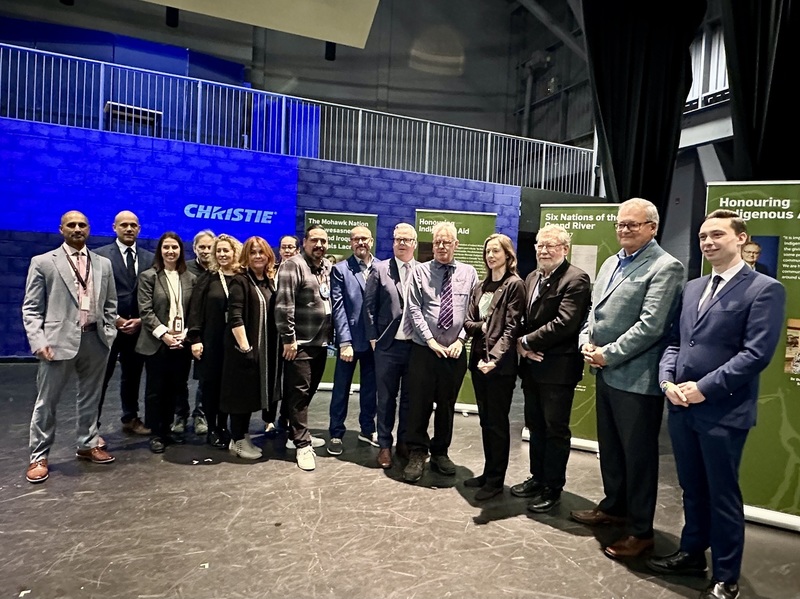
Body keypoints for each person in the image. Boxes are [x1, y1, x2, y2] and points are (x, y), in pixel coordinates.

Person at [647, 210, 785, 599]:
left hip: (723, 411)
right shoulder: (692, 288)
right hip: (681, 407)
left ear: (741, 238)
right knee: (691, 489)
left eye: (717, 235)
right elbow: (676, 342)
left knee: (722, 494)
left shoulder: (764, 289)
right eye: (703, 236)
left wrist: (703, 388)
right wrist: (667, 380)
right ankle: (691, 553)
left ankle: (726, 574)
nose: (707, 242)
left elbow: (756, 354)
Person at [574, 198, 685, 559]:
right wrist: (586, 342)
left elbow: (652, 326)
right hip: (604, 372)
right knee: (611, 450)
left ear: (653, 228)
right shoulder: (610, 263)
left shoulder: (666, 267)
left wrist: (609, 353)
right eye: (620, 224)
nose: (624, 230)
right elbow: (594, 311)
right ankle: (614, 507)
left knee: (638, 458)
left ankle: (640, 532)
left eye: (632, 225)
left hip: (636, 379)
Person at [23, 210, 118, 484]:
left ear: (89, 229)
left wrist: (108, 333)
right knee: (47, 402)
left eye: (82, 225)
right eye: (71, 225)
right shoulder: (43, 262)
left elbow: (110, 303)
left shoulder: (103, 264)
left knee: (90, 397)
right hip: (57, 342)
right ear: (61, 229)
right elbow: (31, 308)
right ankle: (38, 456)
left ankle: (87, 443)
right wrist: (38, 340)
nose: (77, 229)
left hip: (95, 340)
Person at [510, 225, 591, 512]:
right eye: (540, 246)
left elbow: (566, 322)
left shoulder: (576, 279)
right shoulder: (531, 276)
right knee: (535, 426)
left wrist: (526, 341)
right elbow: (524, 316)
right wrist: (522, 344)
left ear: (564, 249)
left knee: (555, 429)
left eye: (550, 246)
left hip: (558, 369)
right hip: (531, 367)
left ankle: (553, 487)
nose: (544, 250)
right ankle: (537, 476)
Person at [403, 222, 479, 483]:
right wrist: (431, 341)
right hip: (425, 351)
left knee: (446, 406)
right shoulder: (420, 272)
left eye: (447, 242)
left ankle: (440, 452)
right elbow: (414, 309)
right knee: (419, 404)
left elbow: (473, 312)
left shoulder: (469, 274)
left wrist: (461, 339)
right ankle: (417, 452)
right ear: (432, 245)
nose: (442, 246)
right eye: (437, 242)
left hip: (455, 353)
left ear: (456, 245)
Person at [463, 233, 524, 500]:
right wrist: (484, 327)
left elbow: (511, 329)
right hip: (477, 361)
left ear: (508, 255)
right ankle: (488, 473)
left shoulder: (515, 285)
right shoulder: (480, 286)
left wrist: (494, 360)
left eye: (496, 251)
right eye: (487, 251)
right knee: (486, 422)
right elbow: (468, 323)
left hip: (499, 366)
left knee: (497, 423)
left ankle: (496, 480)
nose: (490, 256)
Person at [274, 224, 334, 471]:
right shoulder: (293, 265)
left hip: (320, 343)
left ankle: (292, 434)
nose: (319, 245)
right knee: (299, 394)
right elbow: (283, 306)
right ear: (304, 242)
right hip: (299, 343)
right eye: (315, 240)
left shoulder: (325, 267)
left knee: (307, 392)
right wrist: (289, 339)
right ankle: (302, 444)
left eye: (323, 241)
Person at [219, 236, 281, 460]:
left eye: (261, 252)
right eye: (253, 252)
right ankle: (237, 440)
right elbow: (235, 316)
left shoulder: (267, 281)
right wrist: (246, 348)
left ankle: (242, 438)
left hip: (265, 350)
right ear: (246, 255)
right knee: (240, 396)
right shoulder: (240, 280)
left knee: (250, 395)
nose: (257, 256)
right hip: (244, 351)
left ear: (268, 256)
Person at [94, 210, 154, 436]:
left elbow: (153, 293)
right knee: (101, 378)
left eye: (133, 225)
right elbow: (93, 294)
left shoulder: (149, 257)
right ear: (114, 228)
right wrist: (116, 319)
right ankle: (92, 426)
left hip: (138, 329)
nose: (129, 229)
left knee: (133, 376)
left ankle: (130, 417)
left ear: (139, 229)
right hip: (108, 328)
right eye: (124, 225)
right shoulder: (99, 256)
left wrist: (140, 320)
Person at [364, 223, 418, 469]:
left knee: (409, 399)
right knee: (385, 399)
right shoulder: (379, 269)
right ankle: (385, 444)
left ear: (414, 244)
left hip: (415, 347)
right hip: (386, 346)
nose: (402, 243)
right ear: (393, 242)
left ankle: (404, 443)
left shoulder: (423, 271)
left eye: (407, 239)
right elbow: (368, 307)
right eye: (398, 239)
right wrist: (374, 339)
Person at [136, 232, 196, 454]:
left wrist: (185, 334)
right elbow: (145, 310)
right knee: (155, 390)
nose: (170, 251)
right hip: (157, 342)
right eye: (166, 247)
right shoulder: (148, 276)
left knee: (176, 388)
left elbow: (194, 311)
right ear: (160, 251)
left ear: (181, 251)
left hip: (181, 343)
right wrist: (164, 334)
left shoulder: (190, 278)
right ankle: (157, 433)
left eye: (175, 247)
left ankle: (169, 430)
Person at [326, 225, 379, 456]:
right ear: (350, 243)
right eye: (356, 239)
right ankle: (336, 434)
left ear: (372, 241)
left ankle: (367, 429)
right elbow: (338, 309)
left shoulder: (382, 268)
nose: (361, 243)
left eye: (364, 239)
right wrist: (344, 342)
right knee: (341, 390)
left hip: (374, 343)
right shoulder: (340, 270)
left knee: (371, 390)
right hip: (350, 343)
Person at [187, 234, 242, 449]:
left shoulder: (241, 277)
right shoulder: (208, 278)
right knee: (210, 388)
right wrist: (195, 339)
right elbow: (196, 311)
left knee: (228, 388)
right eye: (218, 251)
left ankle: (224, 426)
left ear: (234, 252)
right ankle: (212, 429)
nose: (221, 254)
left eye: (225, 250)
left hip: (234, 344)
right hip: (210, 343)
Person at [177, 229, 215, 436]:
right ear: (194, 249)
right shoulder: (185, 270)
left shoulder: (220, 270)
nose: (206, 251)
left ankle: (200, 414)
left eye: (210, 247)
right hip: (182, 332)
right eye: (202, 247)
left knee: (204, 378)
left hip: (206, 334)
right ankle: (180, 414)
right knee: (179, 377)